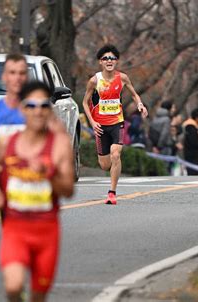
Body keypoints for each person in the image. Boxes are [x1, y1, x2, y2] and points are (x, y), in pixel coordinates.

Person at [0, 81, 74, 302]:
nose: (38, 111)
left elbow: (68, 190)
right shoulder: (9, 143)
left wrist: (48, 173)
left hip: (46, 231)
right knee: (13, 287)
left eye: (44, 106)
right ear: (22, 108)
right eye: (31, 106)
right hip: (15, 229)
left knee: (38, 296)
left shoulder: (59, 144)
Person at [82, 44, 148, 205]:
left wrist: (140, 104)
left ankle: (112, 192)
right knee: (105, 165)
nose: (109, 61)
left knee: (116, 153)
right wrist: (92, 122)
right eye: (105, 58)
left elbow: (134, 94)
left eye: (112, 58)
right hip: (100, 125)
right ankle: (113, 165)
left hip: (117, 122)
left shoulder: (123, 78)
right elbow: (85, 103)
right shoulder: (94, 81)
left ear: (116, 61)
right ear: (100, 62)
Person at [0, 54, 64, 166]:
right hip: (7, 177)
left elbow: (60, 142)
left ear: (27, 77)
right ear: (4, 76)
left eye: (22, 73)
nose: (17, 78)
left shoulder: (40, 110)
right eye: (12, 73)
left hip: (35, 177)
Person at [182, 108, 198, 175]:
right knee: (193, 174)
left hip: (191, 155)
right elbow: (194, 143)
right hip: (192, 156)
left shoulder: (192, 127)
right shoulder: (191, 127)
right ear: (197, 117)